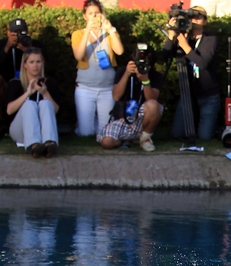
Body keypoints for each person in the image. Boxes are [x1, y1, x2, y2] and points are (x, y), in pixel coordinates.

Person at [163, 5, 221, 141]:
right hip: (187, 93)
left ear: (205, 21)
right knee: (176, 134)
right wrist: (171, 36)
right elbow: (165, 55)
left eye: (199, 16)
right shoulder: (183, 36)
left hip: (208, 95)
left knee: (204, 137)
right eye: (191, 16)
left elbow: (203, 63)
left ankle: (217, 126)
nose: (194, 19)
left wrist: (185, 47)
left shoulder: (210, 38)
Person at [71, 0, 124, 137]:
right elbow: (78, 55)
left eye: (97, 13)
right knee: (86, 134)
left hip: (107, 89)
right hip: (85, 88)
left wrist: (110, 30)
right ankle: (82, 125)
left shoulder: (110, 32)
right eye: (90, 14)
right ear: (85, 16)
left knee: (104, 133)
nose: (94, 17)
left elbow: (119, 51)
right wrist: (88, 30)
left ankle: (97, 124)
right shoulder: (78, 34)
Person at [97, 44, 164, 151]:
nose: (141, 66)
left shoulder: (155, 75)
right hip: (123, 117)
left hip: (142, 118)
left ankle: (145, 138)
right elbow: (116, 96)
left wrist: (145, 80)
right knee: (107, 142)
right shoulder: (123, 71)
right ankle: (126, 140)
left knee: (153, 105)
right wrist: (127, 74)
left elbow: (152, 99)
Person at [5, 48, 59, 158]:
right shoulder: (15, 83)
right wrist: (28, 93)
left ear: (42, 63)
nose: (35, 66)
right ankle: (34, 146)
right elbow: (9, 110)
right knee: (30, 104)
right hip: (19, 130)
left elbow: (55, 110)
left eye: (38, 62)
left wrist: (45, 93)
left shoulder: (50, 83)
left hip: (42, 128)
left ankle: (49, 143)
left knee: (45, 103)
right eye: (31, 62)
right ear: (25, 64)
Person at [1, 18, 45, 132]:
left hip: (30, 80)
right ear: (8, 33)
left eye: (22, 32)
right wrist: (7, 46)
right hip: (8, 81)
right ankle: (4, 124)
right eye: (15, 33)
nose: (19, 36)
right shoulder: (3, 44)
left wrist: (28, 50)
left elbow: (43, 65)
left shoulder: (35, 44)